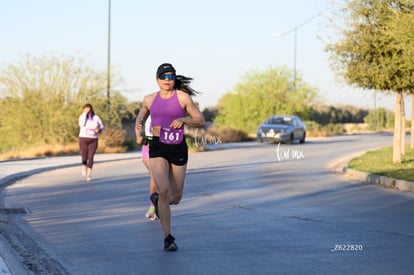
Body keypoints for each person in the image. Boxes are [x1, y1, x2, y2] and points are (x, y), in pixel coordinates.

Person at [135, 63, 205, 251]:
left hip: (178, 147)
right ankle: (168, 238)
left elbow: (200, 120)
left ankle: (158, 200)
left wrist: (183, 119)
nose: (167, 80)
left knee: (175, 197)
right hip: (157, 146)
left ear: (174, 79)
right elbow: (141, 116)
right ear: (157, 79)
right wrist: (139, 128)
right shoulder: (149, 99)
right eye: (163, 76)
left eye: (170, 77)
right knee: (164, 190)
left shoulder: (182, 97)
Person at [135, 115, 158, 221]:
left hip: (161, 145)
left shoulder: (165, 112)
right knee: (154, 174)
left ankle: (157, 205)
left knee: (158, 176)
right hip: (148, 145)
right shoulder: (147, 112)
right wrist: (138, 136)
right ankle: (153, 206)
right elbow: (138, 124)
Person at [78, 103, 104, 182]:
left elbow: (101, 126)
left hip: (93, 139)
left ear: (91, 109)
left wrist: (98, 130)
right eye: (85, 108)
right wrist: (84, 114)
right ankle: (84, 166)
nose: (87, 110)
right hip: (83, 138)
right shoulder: (82, 117)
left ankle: (89, 174)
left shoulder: (96, 117)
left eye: (88, 109)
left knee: (91, 156)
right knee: (84, 156)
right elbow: (81, 124)